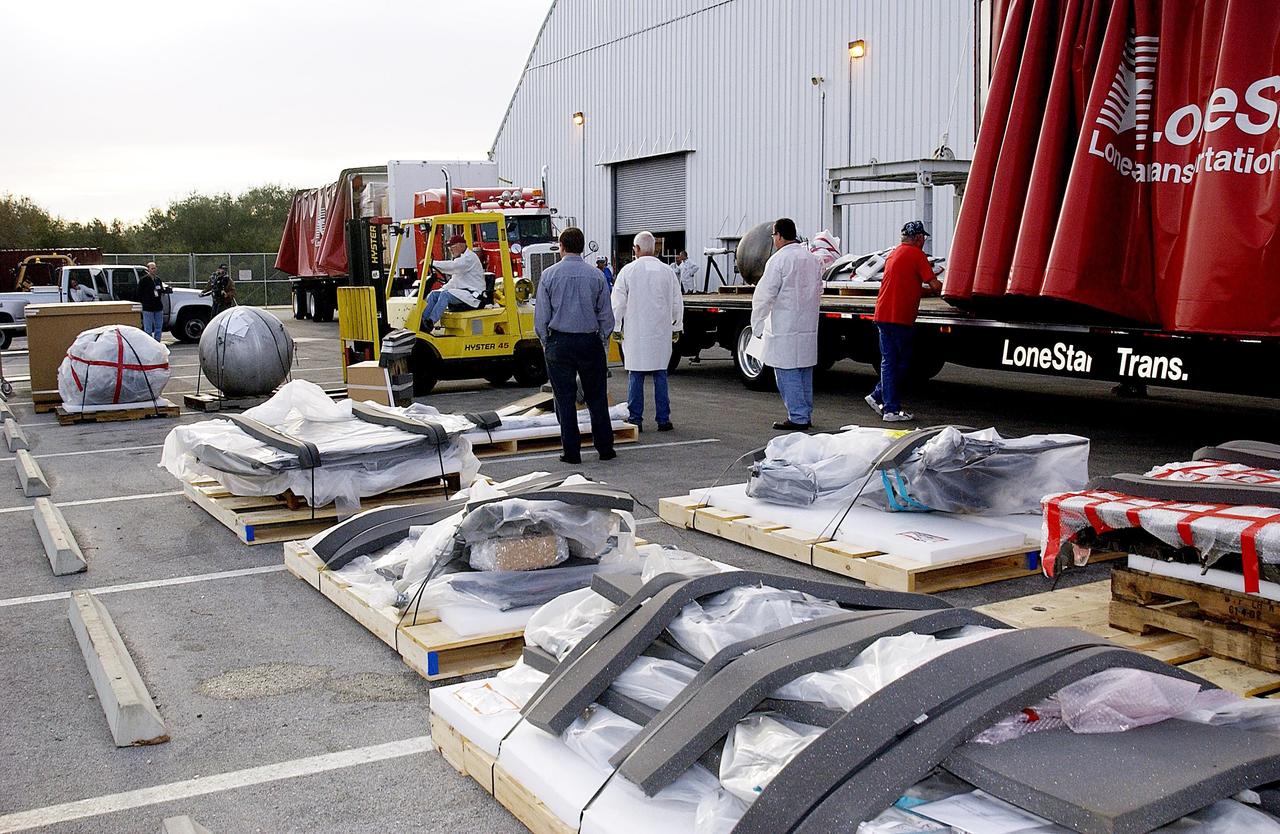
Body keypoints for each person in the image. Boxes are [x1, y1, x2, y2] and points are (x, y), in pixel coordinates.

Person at [534, 227, 617, 464]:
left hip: (559, 341)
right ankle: (605, 448)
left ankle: (571, 452)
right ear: (582, 247)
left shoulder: (549, 275)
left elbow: (541, 316)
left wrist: (546, 342)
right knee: (597, 397)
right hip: (589, 341)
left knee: (564, 398)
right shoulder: (597, 276)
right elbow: (606, 316)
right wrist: (601, 340)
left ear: (561, 246)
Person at [865, 220, 944, 423]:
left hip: (883, 314)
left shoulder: (894, 253)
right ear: (917, 238)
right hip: (900, 317)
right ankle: (890, 408)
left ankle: (878, 396)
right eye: (923, 238)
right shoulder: (917, 255)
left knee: (888, 361)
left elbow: (907, 284)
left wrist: (922, 292)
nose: (924, 241)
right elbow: (935, 285)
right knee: (901, 363)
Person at [750, 217, 822, 431]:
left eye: (774, 235)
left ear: (779, 236)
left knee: (786, 371)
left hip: (785, 325)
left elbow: (764, 295)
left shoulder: (778, 260)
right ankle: (805, 412)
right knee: (803, 371)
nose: (774, 239)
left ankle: (798, 417)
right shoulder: (811, 259)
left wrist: (757, 322)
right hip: (807, 324)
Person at [612, 231, 683, 432]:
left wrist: (616, 327)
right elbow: (677, 302)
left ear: (636, 249)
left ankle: (635, 419)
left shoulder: (628, 271)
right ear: (655, 249)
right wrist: (676, 326)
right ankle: (663, 419)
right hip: (661, 334)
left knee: (636, 375)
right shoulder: (667, 272)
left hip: (636, 334)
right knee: (660, 375)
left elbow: (618, 303)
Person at [421, 234, 486, 332]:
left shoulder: (469, 258)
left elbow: (453, 266)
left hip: (473, 294)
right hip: (462, 293)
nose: (450, 250)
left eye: (452, 247)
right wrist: (441, 289)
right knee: (434, 294)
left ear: (460, 245)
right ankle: (421, 321)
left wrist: (432, 263)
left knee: (445, 295)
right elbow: (454, 281)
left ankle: (430, 322)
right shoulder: (461, 259)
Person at [139, 262, 166, 342]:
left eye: (155, 268)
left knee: (158, 327)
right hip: (148, 308)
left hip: (158, 307)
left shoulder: (158, 280)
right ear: (148, 270)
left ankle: (157, 342)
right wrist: (144, 301)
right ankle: (149, 343)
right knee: (148, 328)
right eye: (152, 268)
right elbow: (139, 293)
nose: (154, 270)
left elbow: (160, 290)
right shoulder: (144, 280)